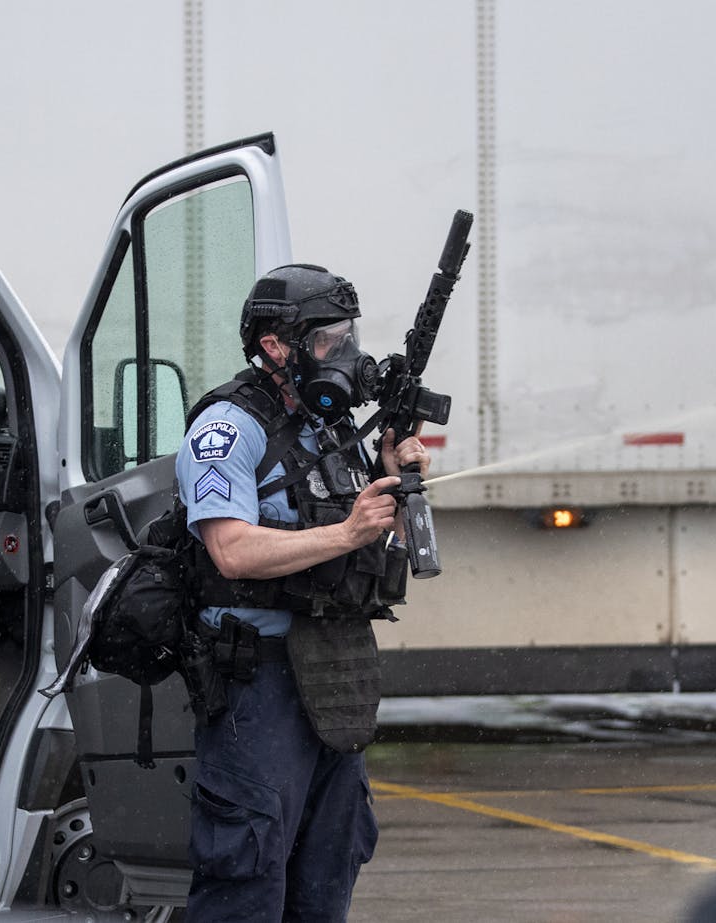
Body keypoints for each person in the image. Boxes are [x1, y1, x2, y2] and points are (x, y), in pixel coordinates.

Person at [177, 264, 430, 922]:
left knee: (326, 877)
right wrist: (349, 531)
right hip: (256, 683)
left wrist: (396, 487)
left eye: (347, 336)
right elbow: (230, 547)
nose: (343, 354)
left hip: (334, 676)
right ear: (274, 346)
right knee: (246, 880)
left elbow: (374, 552)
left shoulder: (334, 433)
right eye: (326, 340)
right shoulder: (229, 428)